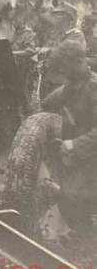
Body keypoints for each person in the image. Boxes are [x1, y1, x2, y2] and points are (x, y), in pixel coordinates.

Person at [41, 40, 97, 237]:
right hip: (78, 156)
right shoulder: (72, 86)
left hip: (91, 155)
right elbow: (47, 104)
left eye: (65, 67)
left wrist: (74, 144)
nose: (62, 72)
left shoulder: (93, 88)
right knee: (65, 195)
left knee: (71, 195)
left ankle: (87, 238)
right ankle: (82, 233)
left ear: (80, 61)